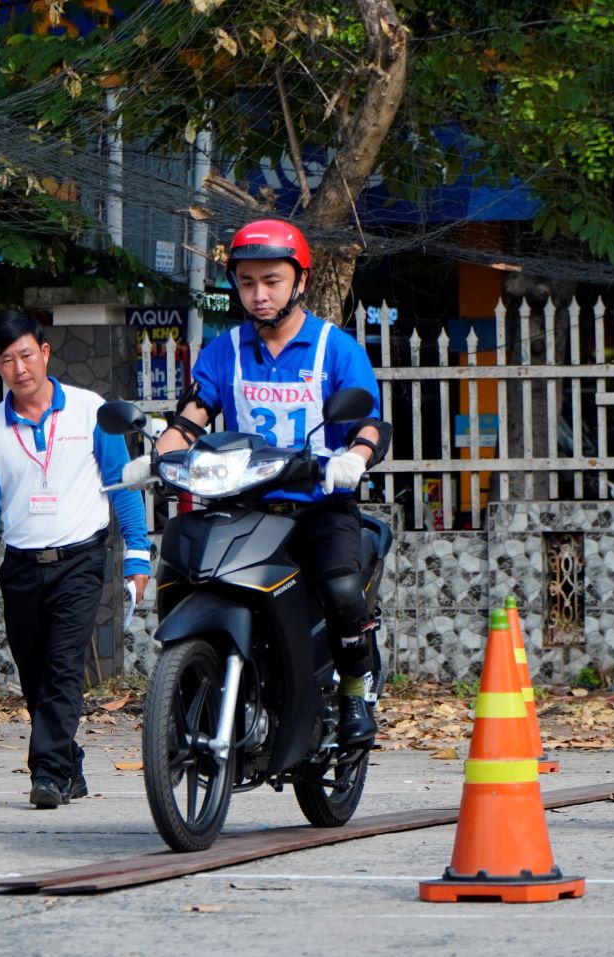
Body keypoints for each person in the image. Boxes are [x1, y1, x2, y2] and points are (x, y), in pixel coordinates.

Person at [125, 219, 390, 745]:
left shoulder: (334, 349)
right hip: (243, 508)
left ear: (300, 282)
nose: (259, 295)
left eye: (271, 281)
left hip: (317, 506)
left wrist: (354, 458)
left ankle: (356, 688)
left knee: (340, 587)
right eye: (247, 283)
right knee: (188, 571)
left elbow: (371, 423)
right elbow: (192, 416)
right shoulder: (224, 352)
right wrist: (158, 458)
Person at [0, 310, 151, 809]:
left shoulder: (90, 411)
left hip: (81, 561)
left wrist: (137, 554)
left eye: (27, 354)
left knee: (63, 668)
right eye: (8, 360)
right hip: (22, 566)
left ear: (44, 353)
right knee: (34, 673)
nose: (20, 367)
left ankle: (46, 773)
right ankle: (71, 762)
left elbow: (122, 483)